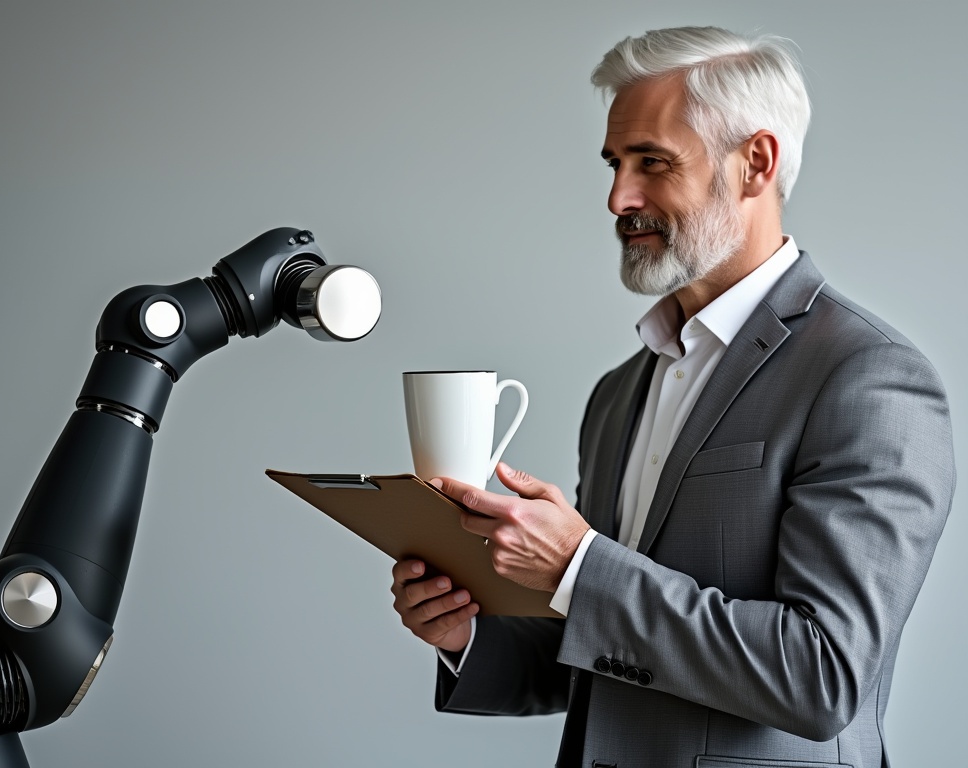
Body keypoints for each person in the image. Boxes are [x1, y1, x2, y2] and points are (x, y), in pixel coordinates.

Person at [390, 26, 955, 768]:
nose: (619, 197)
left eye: (652, 162)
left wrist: (579, 566)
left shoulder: (868, 377)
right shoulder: (620, 391)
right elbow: (609, 646)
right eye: (615, 164)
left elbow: (822, 676)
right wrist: (465, 632)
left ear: (756, 163)